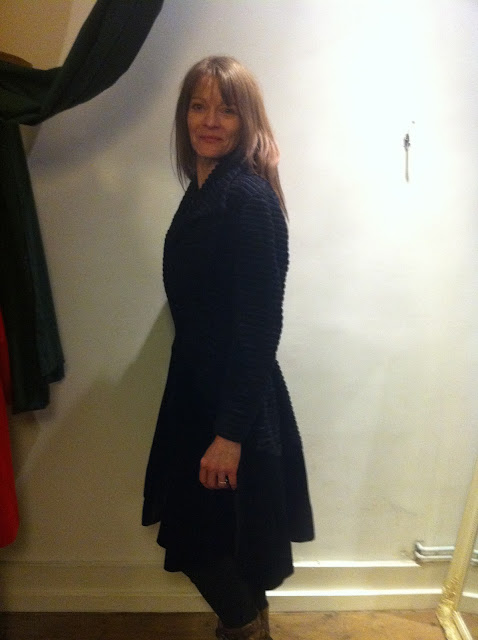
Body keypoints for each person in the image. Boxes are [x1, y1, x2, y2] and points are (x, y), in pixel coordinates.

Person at [142, 56, 314, 640]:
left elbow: (260, 324)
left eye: (226, 109)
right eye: (198, 106)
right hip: (198, 395)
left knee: (199, 541)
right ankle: (247, 627)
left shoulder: (247, 198)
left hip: (230, 406)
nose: (209, 121)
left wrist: (230, 435)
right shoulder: (204, 190)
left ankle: (244, 630)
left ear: (247, 120)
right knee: (225, 539)